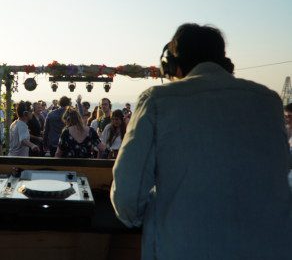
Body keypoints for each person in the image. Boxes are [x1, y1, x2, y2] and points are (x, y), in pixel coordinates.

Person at [111, 23, 292, 260]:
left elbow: (128, 197)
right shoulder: (268, 100)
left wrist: (139, 215)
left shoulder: (157, 101)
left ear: (171, 65)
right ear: (224, 62)